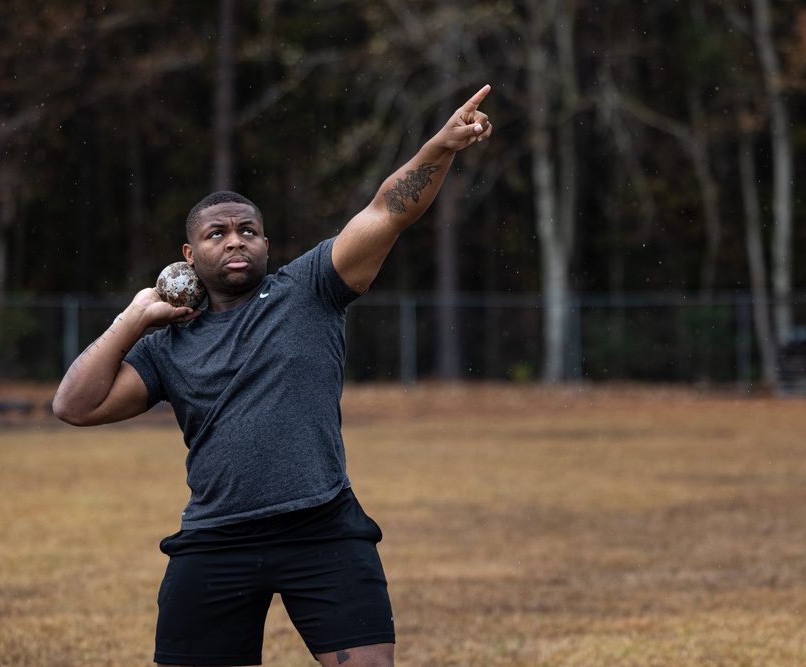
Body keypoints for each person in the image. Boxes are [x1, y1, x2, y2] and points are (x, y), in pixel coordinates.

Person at [52, 85, 492, 667]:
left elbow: (388, 210)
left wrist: (441, 145)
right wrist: (133, 319)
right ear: (188, 255)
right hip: (216, 538)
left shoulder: (309, 289)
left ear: (265, 243)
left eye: (248, 231)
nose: (235, 240)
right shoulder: (165, 346)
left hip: (324, 526)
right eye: (217, 233)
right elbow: (73, 406)